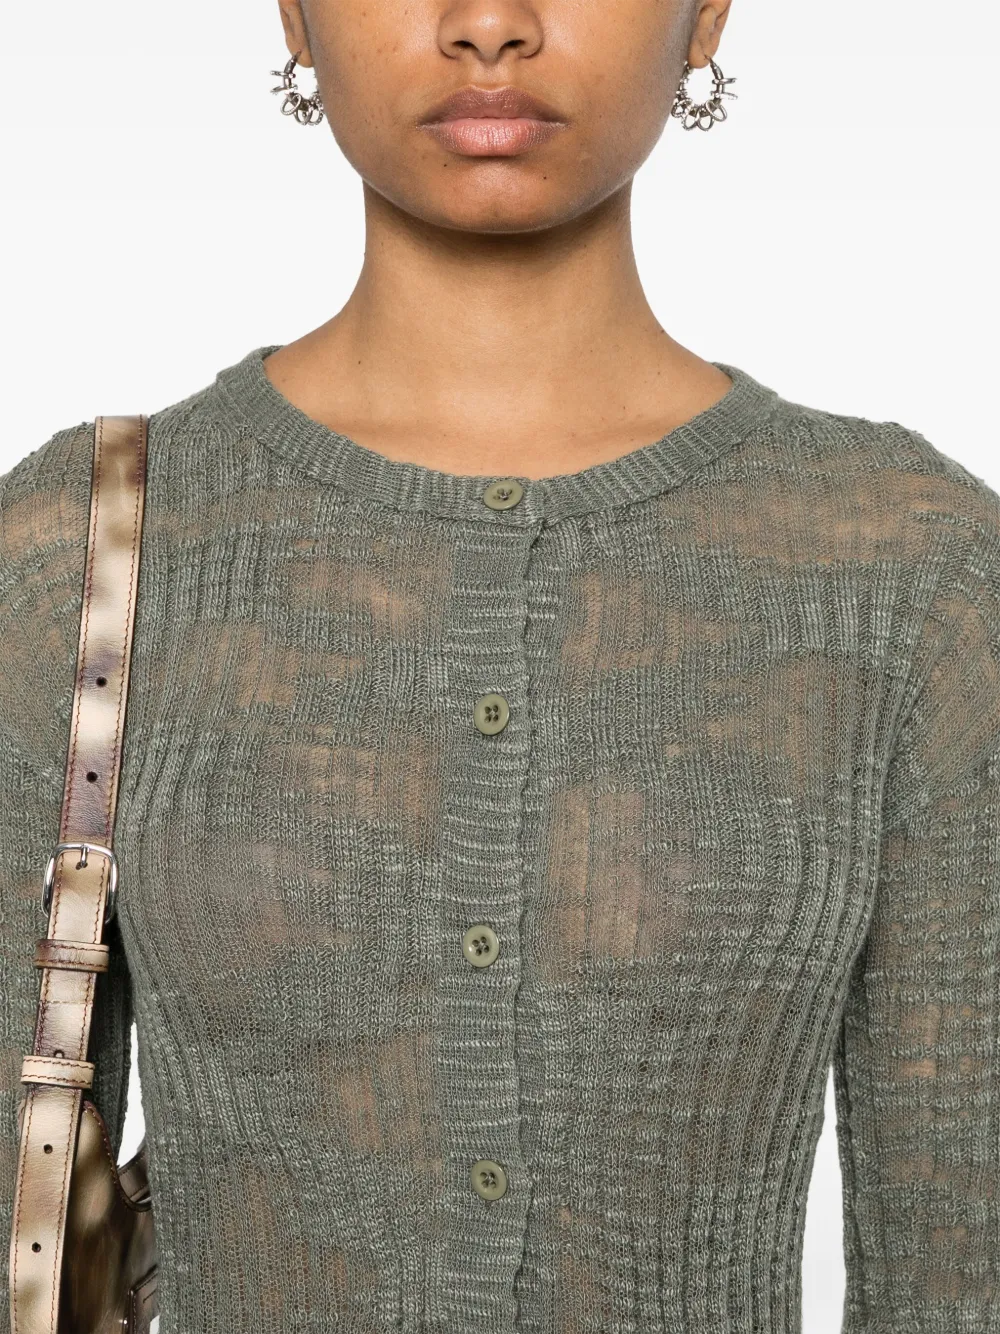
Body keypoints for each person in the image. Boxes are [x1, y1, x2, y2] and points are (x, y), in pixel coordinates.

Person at [2, 1, 998, 1330]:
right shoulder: (80, 547)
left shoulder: (910, 567)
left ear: (705, 14)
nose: (489, 24)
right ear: (295, 12)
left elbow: (959, 1254)